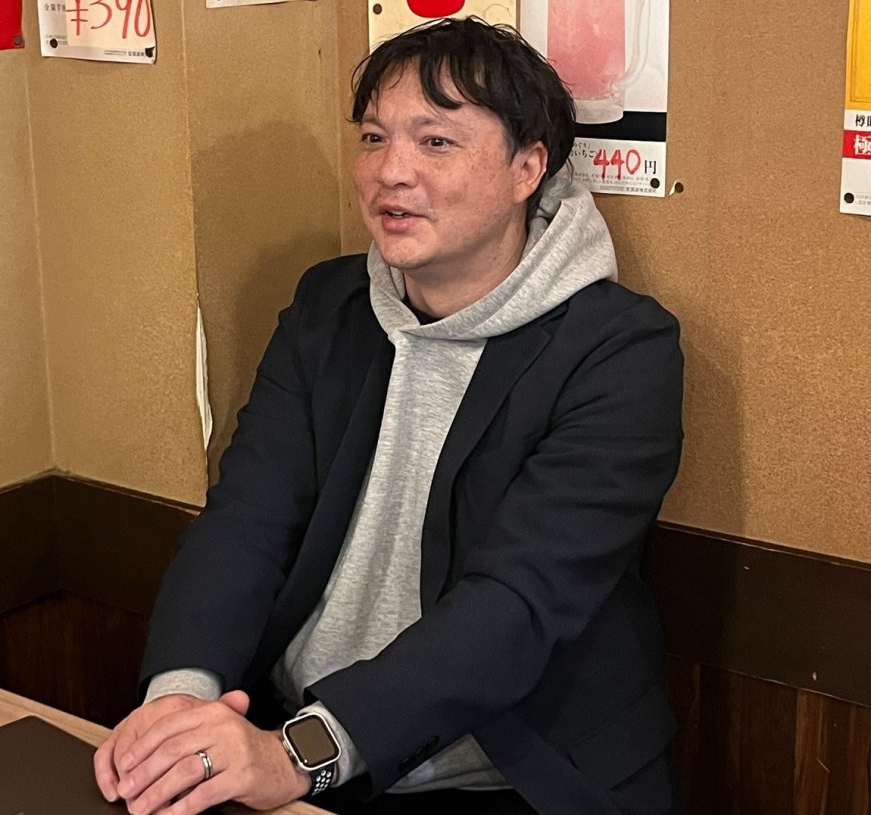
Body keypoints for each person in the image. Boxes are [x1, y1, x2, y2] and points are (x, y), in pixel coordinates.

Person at [93, 16, 684, 815]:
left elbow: (517, 603)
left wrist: (298, 753)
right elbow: (246, 521)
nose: (389, 172)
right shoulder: (328, 307)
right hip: (298, 742)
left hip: (506, 777)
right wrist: (179, 701)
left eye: (436, 142)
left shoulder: (619, 351)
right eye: (373, 138)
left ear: (527, 167)